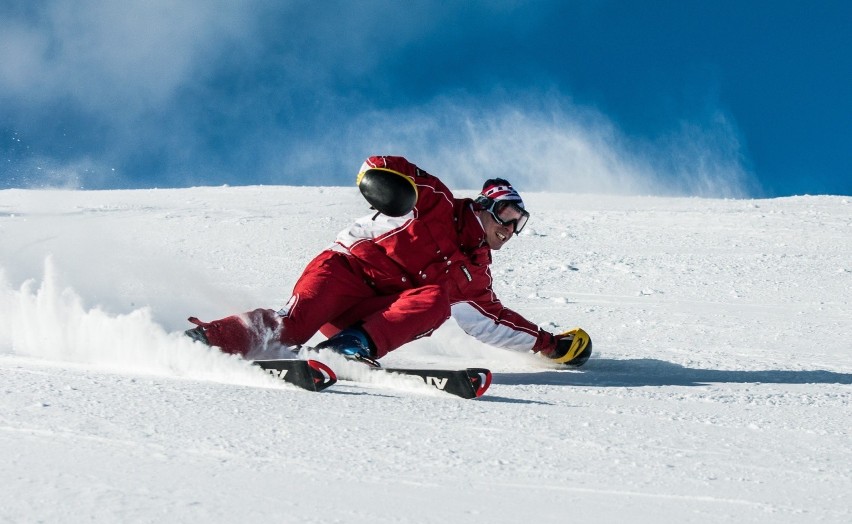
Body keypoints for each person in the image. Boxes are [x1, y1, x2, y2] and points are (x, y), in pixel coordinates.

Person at [185, 155, 591, 367]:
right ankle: (209, 341)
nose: (510, 228)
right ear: (485, 207)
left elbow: (493, 322)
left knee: (435, 301)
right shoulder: (437, 203)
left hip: (367, 316)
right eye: (507, 216)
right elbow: (383, 164)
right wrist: (384, 186)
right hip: (343, 273)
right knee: (292, 326)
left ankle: (348, 349)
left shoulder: (474, 275)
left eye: (518, 223)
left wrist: (549, 345)